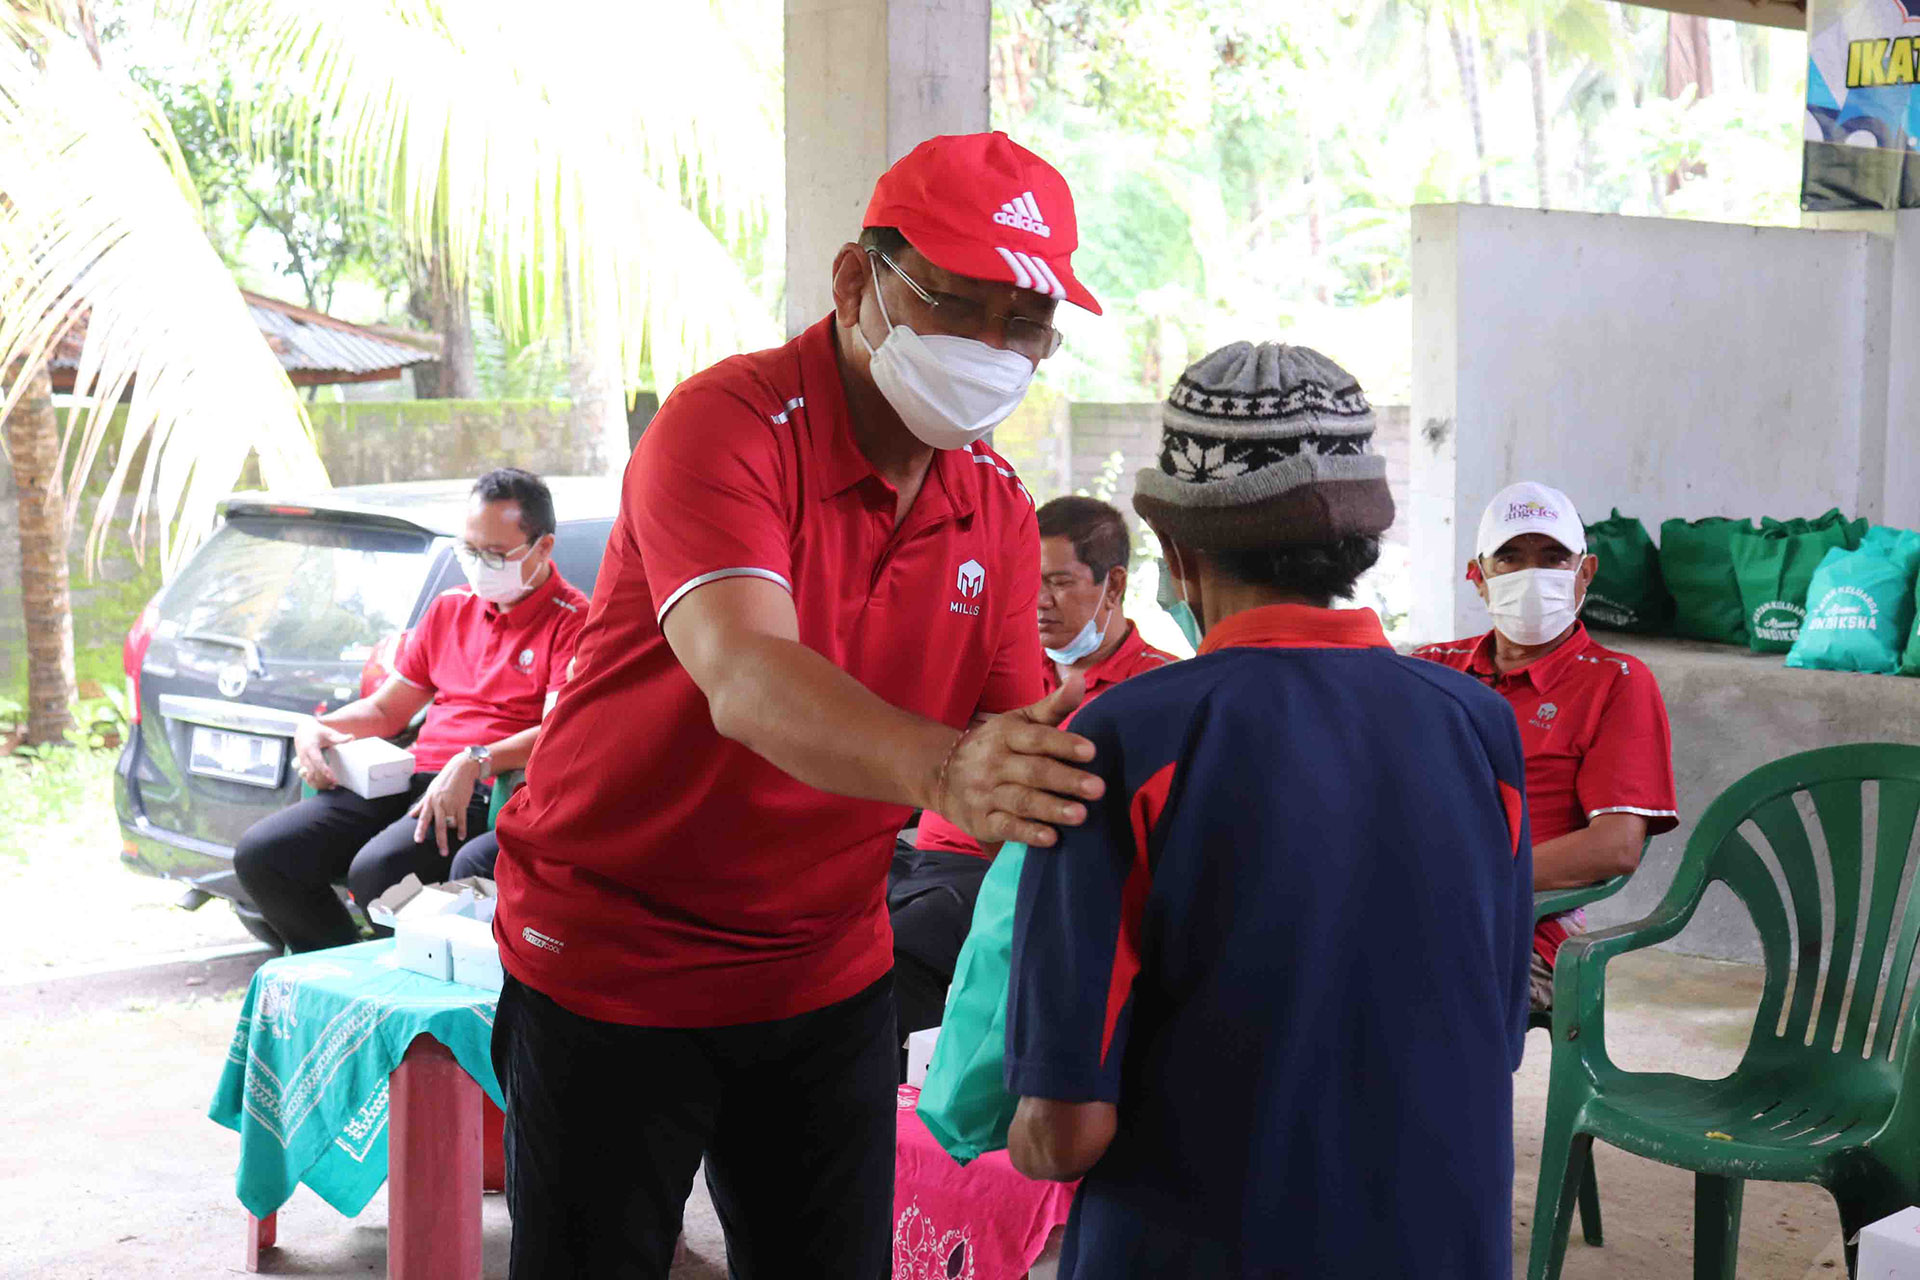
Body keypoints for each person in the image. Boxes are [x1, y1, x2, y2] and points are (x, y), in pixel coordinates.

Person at [488, 132, 1108, 1279]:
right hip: (616, 958)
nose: (988, 350)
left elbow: (1019, 755)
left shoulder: (997, 506)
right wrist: (944, 767)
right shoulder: (725, 425)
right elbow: (746, 673)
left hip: (825, 968)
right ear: (853, 281)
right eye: (957, 305)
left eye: (1021, 323)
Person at [1004, 342, 1534, 1278]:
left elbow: (1062, 1137)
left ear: (1176, 550)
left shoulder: (1121, 741)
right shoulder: (1481, 728)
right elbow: (1492, 1037)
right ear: (1361, 538)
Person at [232, 468, 585, 953]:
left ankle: (413, 991)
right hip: (410, 773)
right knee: (265, 855)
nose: (479, 565)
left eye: (495, 554)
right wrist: (318, 728)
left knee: (380, 873)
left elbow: (556, 732)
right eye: (470, 550)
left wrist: (475, 760)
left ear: (542, 548)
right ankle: (340, 971)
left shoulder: (572, 622)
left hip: (484, 787)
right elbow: (386, 711)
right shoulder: (451, 608)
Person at [894, 494, 1176, 1049]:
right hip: (919, 859)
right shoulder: (1000, 662)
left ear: (1113, 586)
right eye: (1029, 582)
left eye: (1060, 582)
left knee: (901, 947)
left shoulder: (1157, 691)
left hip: (1006, 872)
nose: (1039, 602)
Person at [1414, 481, 1678, 1010]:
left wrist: (1466, 876)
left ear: (1586, 574)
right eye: (1510, 557)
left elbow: (1616, 846)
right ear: (1479, 578)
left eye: (1553, 557)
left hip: (1523, 929)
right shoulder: (1432, 666)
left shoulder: (1617, 681)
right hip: (1407, 901)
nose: (1532, 574)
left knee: (1395, 987)